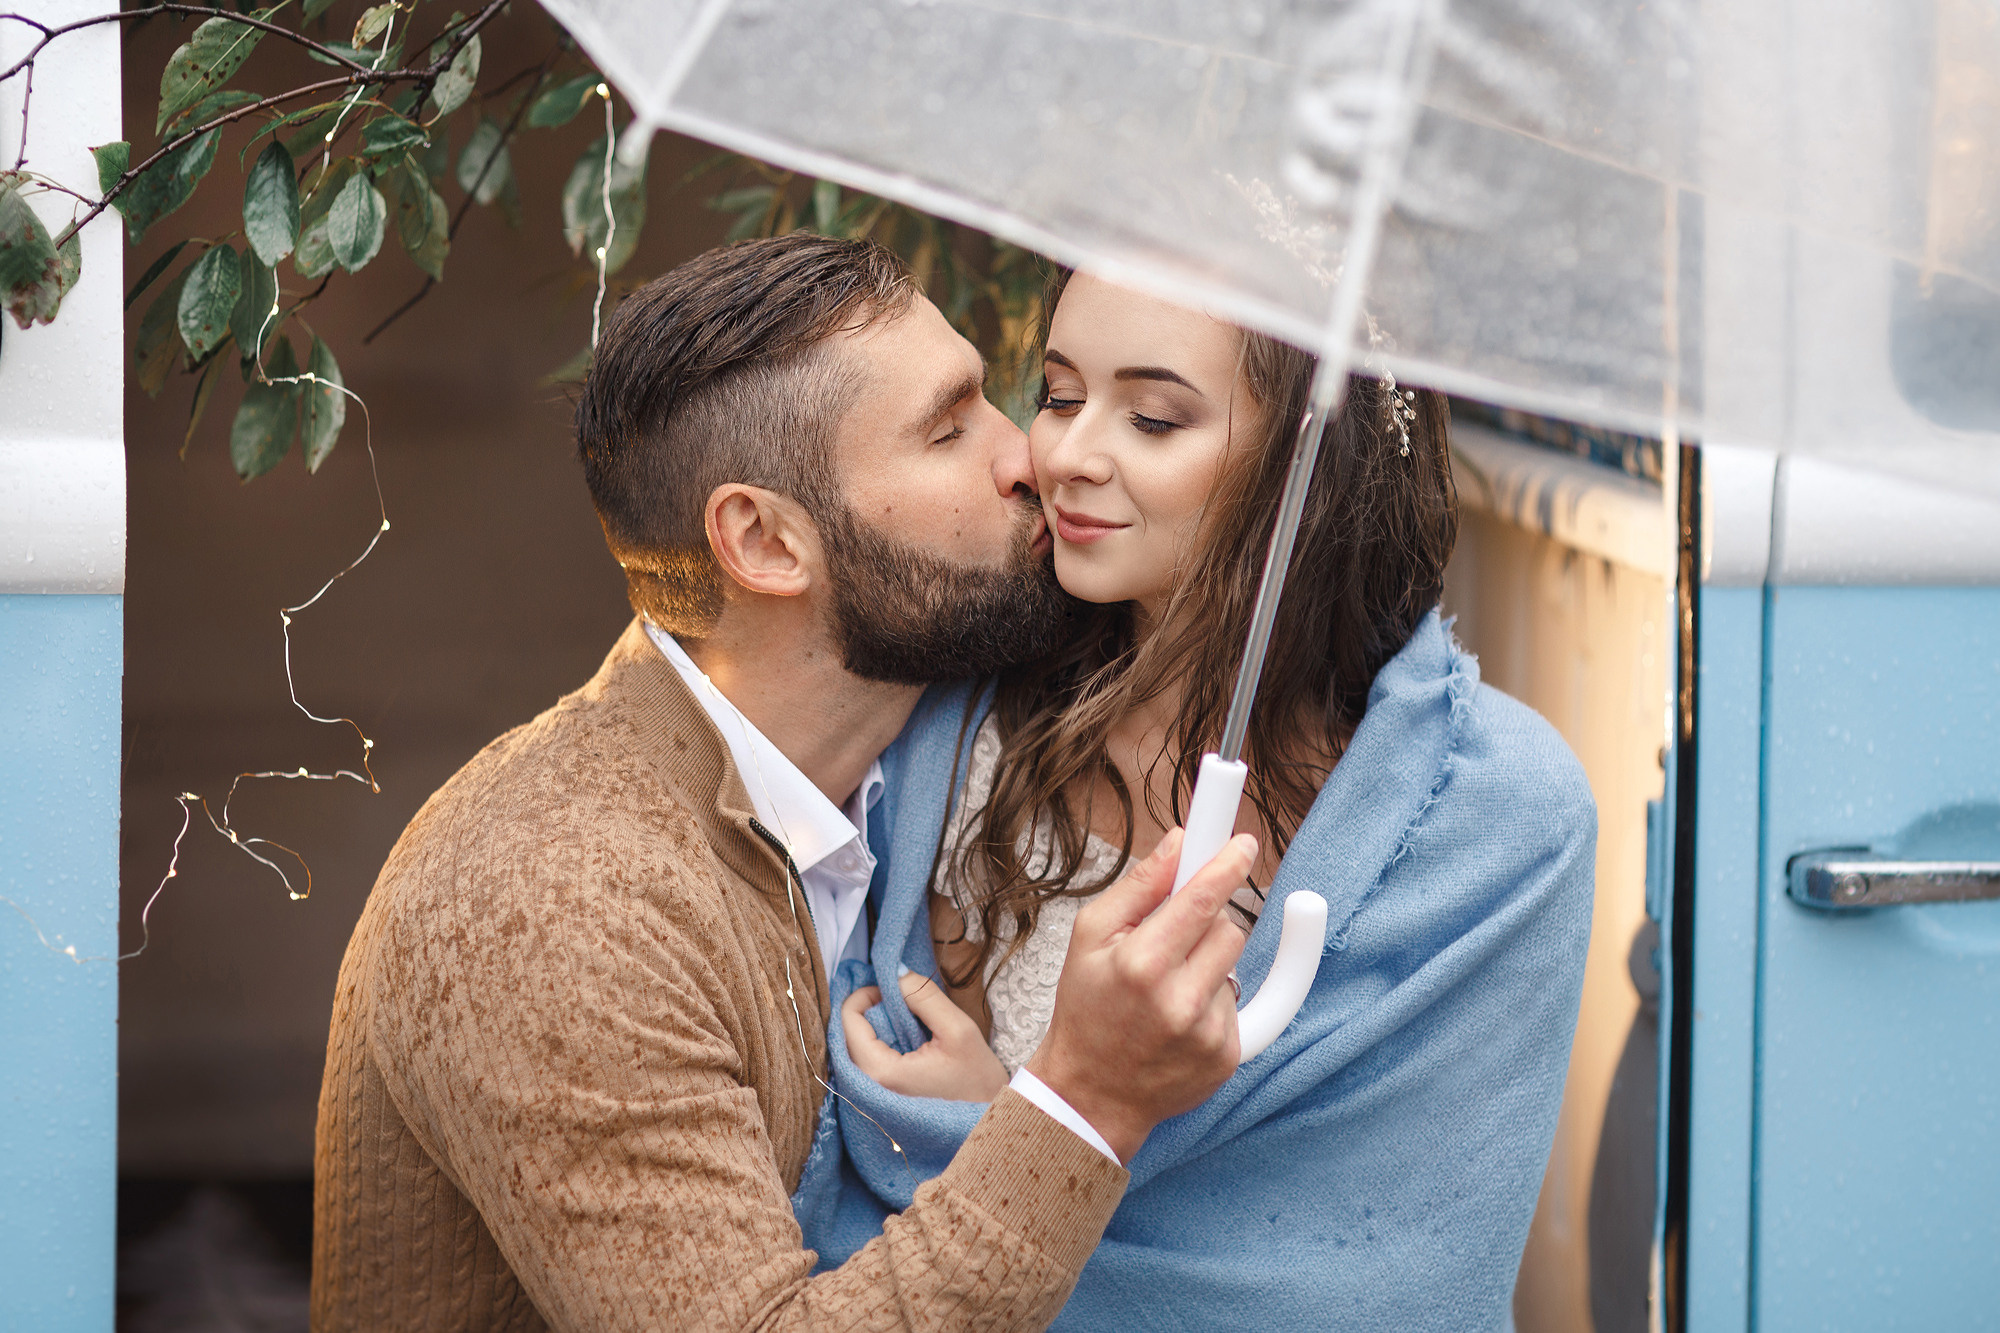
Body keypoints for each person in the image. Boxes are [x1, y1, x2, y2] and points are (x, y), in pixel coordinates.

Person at [310, 237, 1261, 1333]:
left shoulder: (897, 777)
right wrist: (1084, 1100)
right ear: (762, 541)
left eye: (1008, 401)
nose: (1027, 458)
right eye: (949, 429)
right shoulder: (554, 904)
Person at [797, 272, 1598, 1330]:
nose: (1068, 454)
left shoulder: (1496, 818)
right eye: (1061, 392)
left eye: (1153, 417)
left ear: (1302, 467)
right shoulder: (953, 733)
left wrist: (1011, 1124)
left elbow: (1394, 1271)